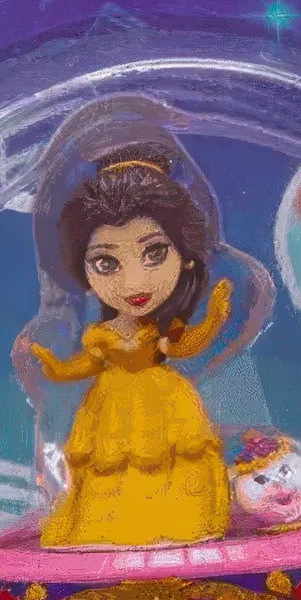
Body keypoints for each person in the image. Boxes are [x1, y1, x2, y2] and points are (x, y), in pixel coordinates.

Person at [25, 144, 234, 548]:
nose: (134, 283)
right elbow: (85, 365)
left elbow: (184, 346)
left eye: (154, 253)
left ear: (186, 258)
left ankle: (176, 523)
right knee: (111, 463)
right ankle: (111, 529)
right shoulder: (102, 334)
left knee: (170, 457)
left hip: (162, 401)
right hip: (112, 408)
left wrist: (213, 318)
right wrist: (52, 366)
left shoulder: (161, 330)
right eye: (106, 263)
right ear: (84, 270)